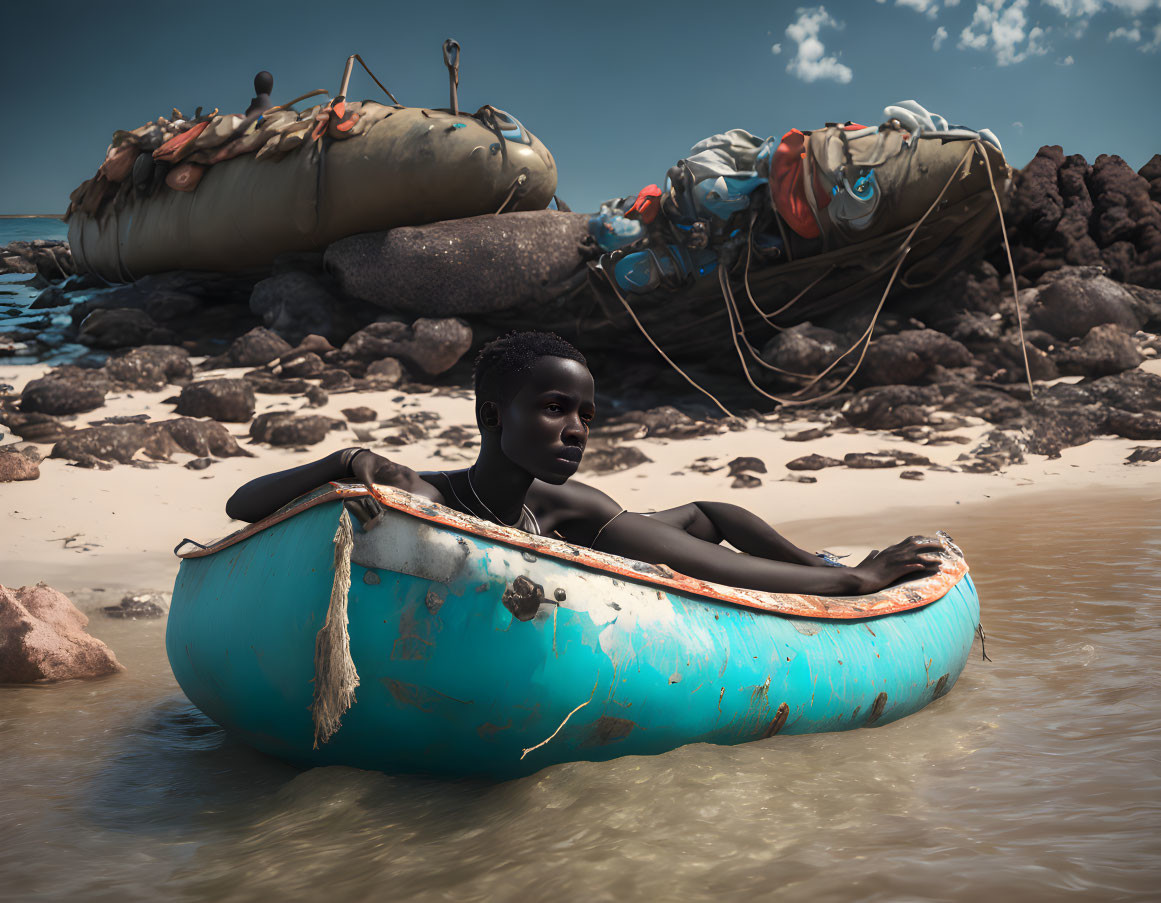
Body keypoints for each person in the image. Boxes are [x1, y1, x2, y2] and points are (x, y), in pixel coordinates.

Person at [226, 331, 942, 596]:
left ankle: (813, 559)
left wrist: (842, 579)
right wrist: (348, 459)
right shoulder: (416, 493)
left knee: (707, 514)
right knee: (695, 519)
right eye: (554, 408)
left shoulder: (572, 507)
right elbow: (242, 506)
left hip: (639, 527)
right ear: (491, 416)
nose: (576, 430)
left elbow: (711, 560)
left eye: (587, 416)